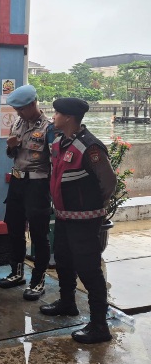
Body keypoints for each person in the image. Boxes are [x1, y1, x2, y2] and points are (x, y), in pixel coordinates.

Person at [40, 97, 117, 344]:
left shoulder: (90, 147)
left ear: (69, 117)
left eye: (57, 113)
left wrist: (92, 206)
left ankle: (99, 326)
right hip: (64, 217)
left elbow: (109, 182)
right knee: (63, 261)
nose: (53, 117)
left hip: (84, 220)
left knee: (89, 270)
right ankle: (67, 303)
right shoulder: (59, 142)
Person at [0, 84, 55, 301]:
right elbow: (11, 153)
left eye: (21, 108)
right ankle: (17, 272)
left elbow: (54, 162)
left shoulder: (49, 128)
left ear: (33, 104)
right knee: (14, 227)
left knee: (39, 234)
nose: (18, 113)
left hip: (37, 185)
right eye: (16, 109)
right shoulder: (18, 123)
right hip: (17, 182)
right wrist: (11, 146)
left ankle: (38, 281)